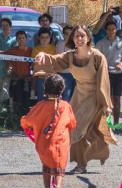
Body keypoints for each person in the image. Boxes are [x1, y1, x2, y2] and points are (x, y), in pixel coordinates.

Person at [33, 25, 116, 174]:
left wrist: (105, 104)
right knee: (73, 127)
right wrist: (42, 56)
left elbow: (103, 81)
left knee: (82, 128)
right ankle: (81, 161)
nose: (79, 39)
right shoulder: (70, 56)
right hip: (79, 94)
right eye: (76, 36)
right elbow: (54, 60)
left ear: (88, 38)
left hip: (95, 96)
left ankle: (82, 164)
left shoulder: (98, 57)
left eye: (82, 36)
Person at [20, 74, 77, 188]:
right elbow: (72, 123)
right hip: (60, 143)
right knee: (59, 168)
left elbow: (28, 120)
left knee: (46, 166)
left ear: (45, 88)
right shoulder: (65, 106)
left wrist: (23, 122)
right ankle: (57, 187)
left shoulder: (40, 105)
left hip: (43, 143)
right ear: (62, 89)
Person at [94, 19, 122, 127]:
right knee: (106, 99)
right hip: (105, 74)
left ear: (116, 30)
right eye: (109, 29)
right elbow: (96, 57)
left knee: (117, 99)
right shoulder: (100, 43)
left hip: (118, 74)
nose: (111, 31)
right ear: (106, 30)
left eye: (113, 29)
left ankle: (116, 123)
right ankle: (107, 124)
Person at [6, 31, 33, 117]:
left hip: (27, 80)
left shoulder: (30, 51)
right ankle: (16, 119)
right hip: (16, 79)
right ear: (16, 39)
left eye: (23, 38)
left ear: (26, 39)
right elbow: (5, 60)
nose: (21, 40)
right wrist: (10, 72)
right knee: (16, 100)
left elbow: (34, 64)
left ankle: (26, 118)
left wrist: (31, 75)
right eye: (19, 38)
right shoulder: (11, 51)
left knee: (27, 100)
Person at [57, 25, 76, 100]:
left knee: (73, 97)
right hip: (64, 73)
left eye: (70, 33)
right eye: (66, 33)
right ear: (63, 34)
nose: (68, 35)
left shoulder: (76, 44)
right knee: (66, 96)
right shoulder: (60, 44)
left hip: (75, 74)